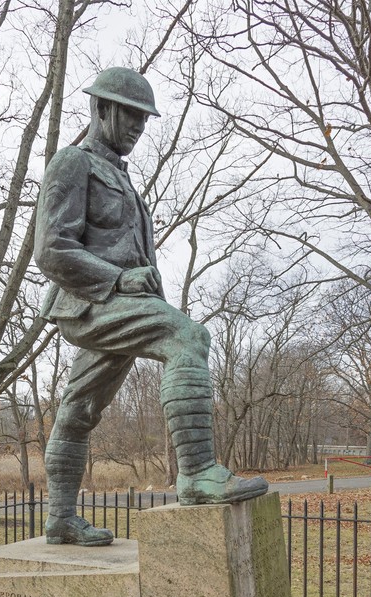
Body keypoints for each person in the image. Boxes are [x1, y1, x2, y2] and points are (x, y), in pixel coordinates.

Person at [34, 67, 268, 546]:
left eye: (145, 117)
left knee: (78, 409)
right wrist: (118, 279)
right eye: (132, 115)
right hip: (89, 302)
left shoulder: (118, 175)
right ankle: (197, 472)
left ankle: (60, 518)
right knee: (188, 336)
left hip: (120, 302)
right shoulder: (72, 162)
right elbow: (51, 248)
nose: (140, 126)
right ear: (102, 109)